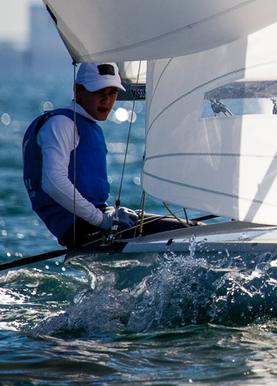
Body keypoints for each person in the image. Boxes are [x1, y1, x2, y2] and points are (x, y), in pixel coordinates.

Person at [22, 63, 189, 248]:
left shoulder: (82, 123)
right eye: (98, 91)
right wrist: (102, 221)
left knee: (193, 229)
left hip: (96, 220)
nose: (106, 100)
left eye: (112, 93)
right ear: (77, 90)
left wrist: (107, 217)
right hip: (83, 228)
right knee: (194, 237)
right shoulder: (62, 124)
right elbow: (52, 182)